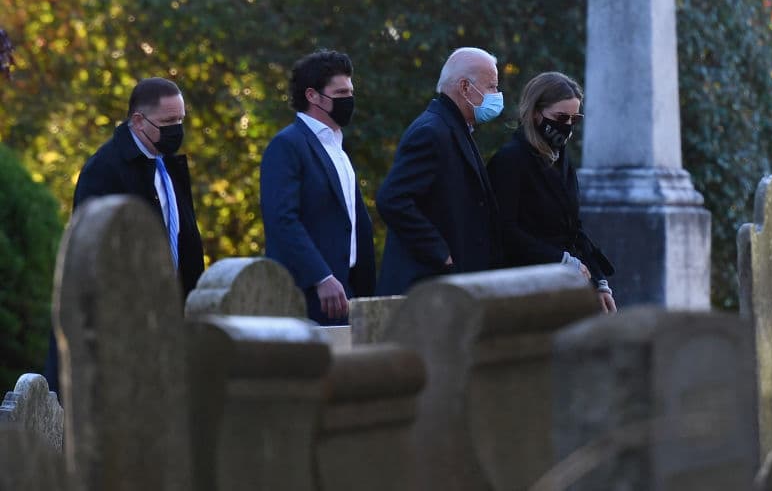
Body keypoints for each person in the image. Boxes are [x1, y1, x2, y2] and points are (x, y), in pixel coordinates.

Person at [45, 77, 206, 396]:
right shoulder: (104, 170)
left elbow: (184, 236)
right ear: (137, 120)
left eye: (180, 120)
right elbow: (94, 252)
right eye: (167, 122)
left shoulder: (167, 165)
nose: (176, 129)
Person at [375, 47, 503, 295]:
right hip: (426, 286)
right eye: (492, 86)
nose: (497, 95)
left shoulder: (454, 127)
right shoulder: (431, 132)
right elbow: (393, 199)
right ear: (465, 87)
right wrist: (441, 254)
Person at [260, 51, 376, 324]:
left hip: (348, 290)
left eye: (351, 91)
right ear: (312, 96)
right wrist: (320, 276)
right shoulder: (287, 145)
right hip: (310, 293)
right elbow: (282, 220)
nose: (349, 99)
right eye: (340, 92)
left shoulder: (337, 146)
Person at [486, 72, 617, 313]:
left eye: (573, 119)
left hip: (559, 285)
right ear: (536, 114)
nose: (566, 126)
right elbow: (504, 230)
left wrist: (600, 282)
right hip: (523, 288)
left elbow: (573, 229)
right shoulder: (510, 161)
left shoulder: (561, 160)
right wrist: (560, 260)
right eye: (560, 117)